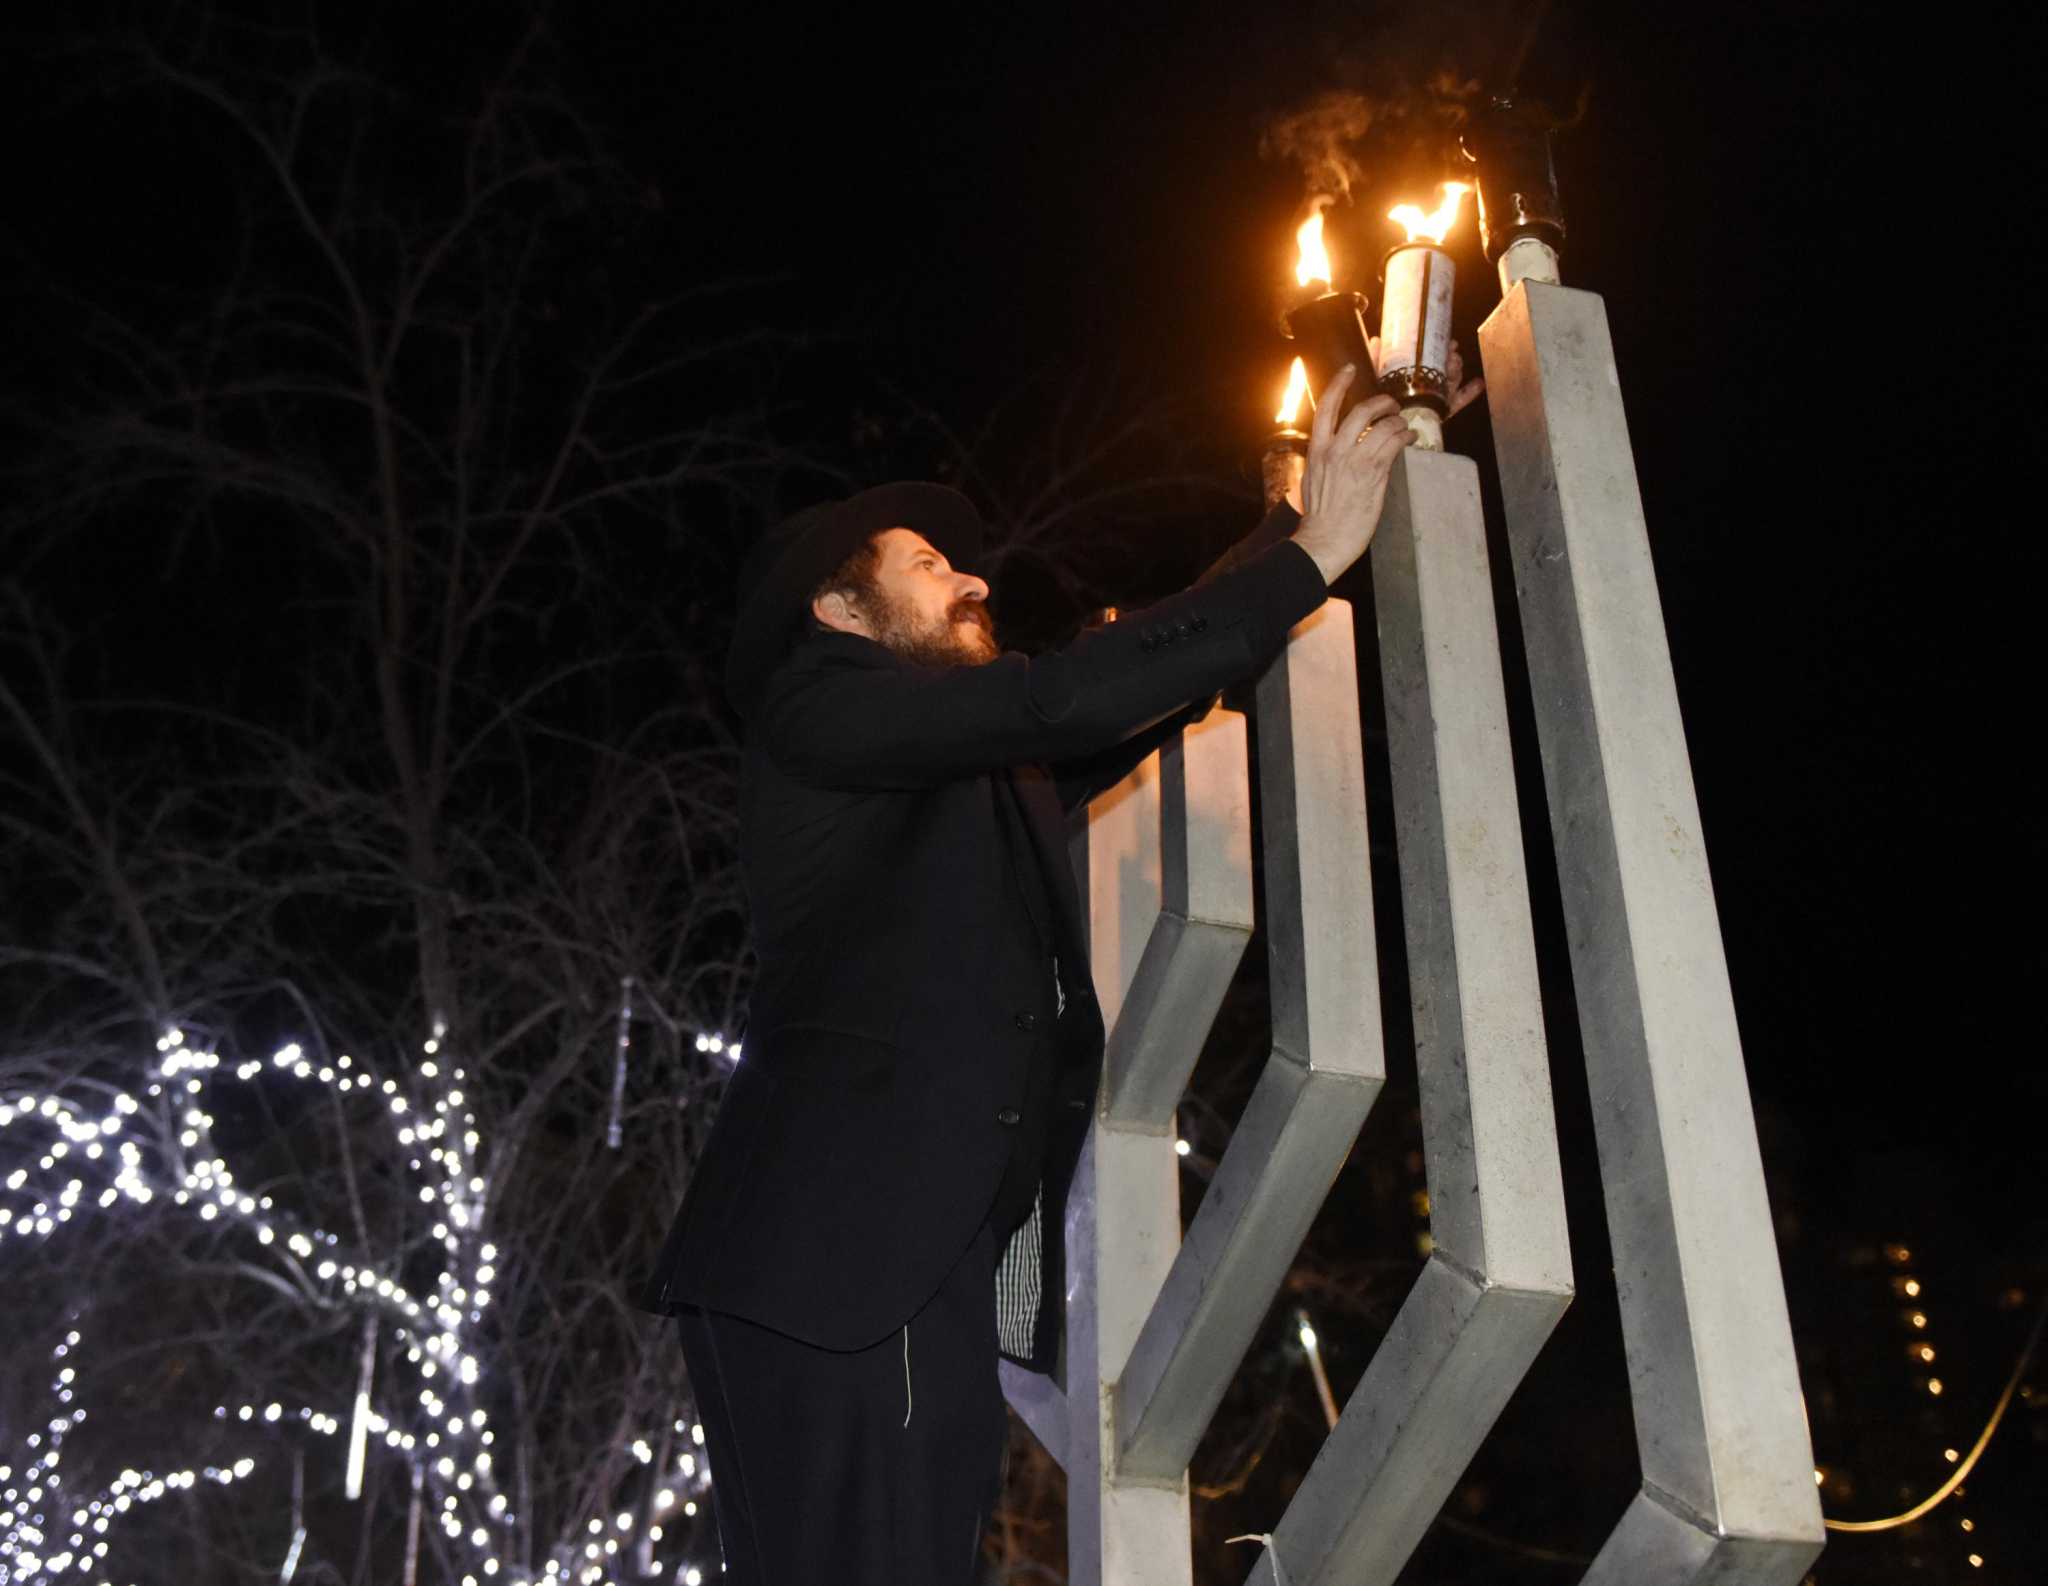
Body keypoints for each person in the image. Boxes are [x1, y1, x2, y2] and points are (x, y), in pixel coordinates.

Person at [635, 366, 1414, 1584]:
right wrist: (1313, 555)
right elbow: (1057, 697)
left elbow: (1106, 695)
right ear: (840, 611)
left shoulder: (956, 759)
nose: (975, 576)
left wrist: (1289, 516)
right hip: (843, 1268)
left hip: (891, 1272)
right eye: (928, 566)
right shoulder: (818, 712)